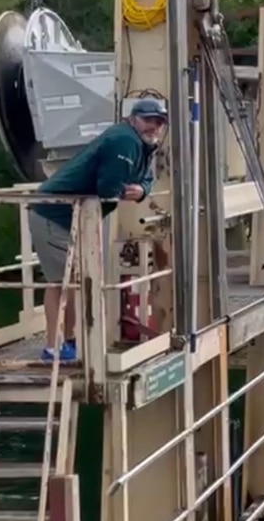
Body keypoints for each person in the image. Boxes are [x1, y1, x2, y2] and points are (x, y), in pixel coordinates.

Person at [27, 98, 167, 363]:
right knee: (61, 282)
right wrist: (133, 190)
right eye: (149, 120)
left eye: (159, 122)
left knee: (75, 280)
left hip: (77, 217)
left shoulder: (142, 144)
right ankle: (53, 347)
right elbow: (109, 188)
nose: (154, 127)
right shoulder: (124, 140)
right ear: (133, 119)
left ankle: (69, 341)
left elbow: (146, 177)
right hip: (54, 213)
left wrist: (142, 190)